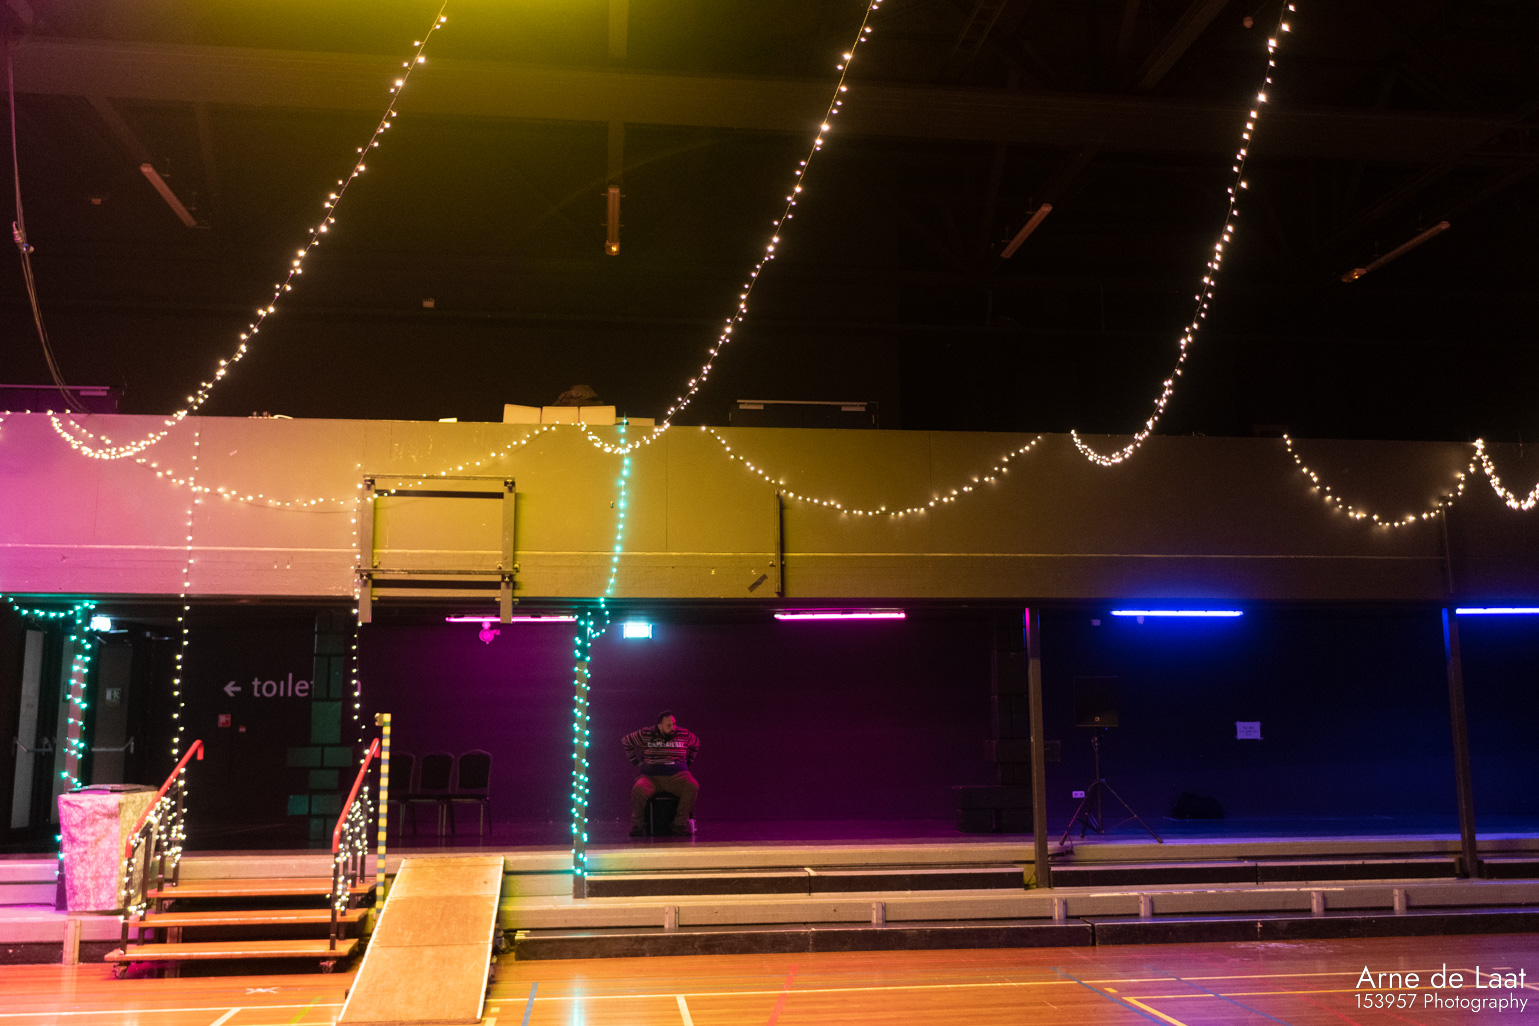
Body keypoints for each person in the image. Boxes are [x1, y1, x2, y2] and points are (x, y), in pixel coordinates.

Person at [621, 710, 700, 837]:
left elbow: (696, 743)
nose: (672, 728)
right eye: (668, 725)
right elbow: (626, 741)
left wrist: (688, 763)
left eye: (674, 724)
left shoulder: (683, 734)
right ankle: (638, 826)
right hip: (652, 777)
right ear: (660, 726)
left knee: (692, 786)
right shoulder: (646, 734)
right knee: (639, 789)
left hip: (677, 777)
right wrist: (636, 762)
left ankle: (679, 825)